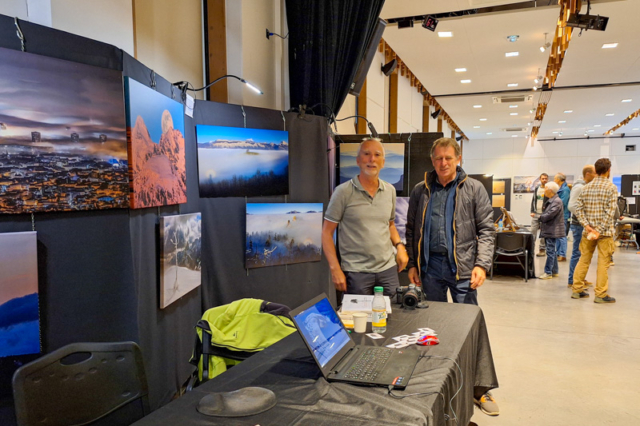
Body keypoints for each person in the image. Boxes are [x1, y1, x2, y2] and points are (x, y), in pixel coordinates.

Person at [405, 137, 498, 416]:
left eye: (448, 158)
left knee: (469, 329)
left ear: (458, 158)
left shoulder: (474, 188)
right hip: (430, 269)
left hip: (463, 270)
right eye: (438, 159)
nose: (443, 163)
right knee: (431, 326)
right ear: (431, 161)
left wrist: (481, 264)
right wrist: (412, 263)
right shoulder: (421, 190)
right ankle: (435, 381)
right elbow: (411, 230)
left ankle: (478, 390)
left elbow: (486, 229)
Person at [322, 138, 408, 296]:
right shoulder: (343, 192)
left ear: (383, 161)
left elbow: (390, 225)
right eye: (366, 154)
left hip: (388, 271)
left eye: (377, 155)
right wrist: (335, 269)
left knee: (394, 318)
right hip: (356, 273)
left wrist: (400, 247)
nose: (372, 159)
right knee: (358, 320)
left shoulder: (390, 191)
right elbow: (326, 233)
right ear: (358, 160)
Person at [571, 158, 618, 303]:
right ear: (608, 170)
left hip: (588, 232)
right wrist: (599, 230)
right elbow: (610, 213)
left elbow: (577, 209)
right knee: (603, 263)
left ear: (596, 171)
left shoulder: (586, 187)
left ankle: (577, 290)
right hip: (605, 234)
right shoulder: (611, 188)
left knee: (583, 259)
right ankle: (600, 294)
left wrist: (586, 225)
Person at [567, 165, 596, 287]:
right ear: (588, 174)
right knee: (577, 253)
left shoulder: (584, 187)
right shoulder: (579, 188)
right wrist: (584, 220)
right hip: (579, 225)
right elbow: (571, 206)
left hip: (582, 225)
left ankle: (579, 278)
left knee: (583, 254)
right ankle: (572, 280)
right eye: (595, 173)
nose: (596, 176)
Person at [538, 182, 565, 279]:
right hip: (550, 229)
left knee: (550, 251)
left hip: (552, 230)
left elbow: (550, 214)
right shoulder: (552, 200)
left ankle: (548, 272)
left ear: (550, 190)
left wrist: (540, 217)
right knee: (552, 251)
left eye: (545, 188)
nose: (544, 190)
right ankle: (555, 271)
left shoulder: (556, 201)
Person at [530, 173, 549, 257]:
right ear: (540, 179)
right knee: (532, 231)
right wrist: (532, 210)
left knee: (543, 233)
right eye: (543, 178)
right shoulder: (537, 188)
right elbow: (533, 200)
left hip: (544, 214)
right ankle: (531, 249)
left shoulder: (549, 189)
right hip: (536, 213)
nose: (544, 180)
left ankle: (542, 250)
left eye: (546, 178)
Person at [554, 173, 571, 261]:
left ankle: (563, 254)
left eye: (555, 178)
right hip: (558, 215)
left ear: (559, 180)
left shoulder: (565, 190)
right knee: (558, 235)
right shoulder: (560, 189)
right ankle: (558, 253)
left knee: (562, 235)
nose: (554, 180)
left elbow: (562, 203)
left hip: (562, 215)